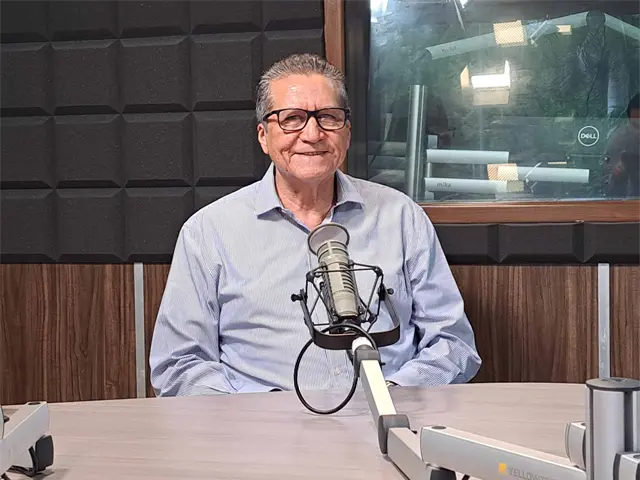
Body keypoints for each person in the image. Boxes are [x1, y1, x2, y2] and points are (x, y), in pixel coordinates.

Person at [149, 53, 481, 396]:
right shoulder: (208, 232)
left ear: (347, 132)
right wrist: (258, 414)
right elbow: (179, 365)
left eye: (328, 117)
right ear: (263, 136)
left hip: (390, 415)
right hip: (258, 425)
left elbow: (452, 343)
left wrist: (390, 395)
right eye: (292, 119)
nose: (312, 134)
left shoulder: (402, 217)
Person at [604, 93, 640, 197]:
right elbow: (604, 190)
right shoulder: (618, 142)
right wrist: (617, 175)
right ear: (628, 123)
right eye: (636, 126)